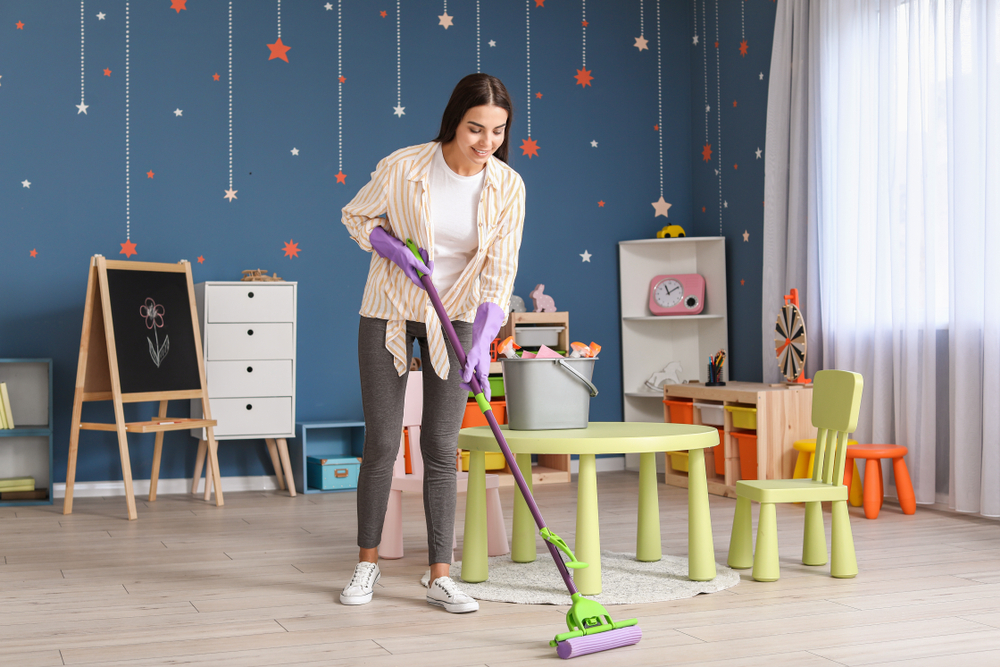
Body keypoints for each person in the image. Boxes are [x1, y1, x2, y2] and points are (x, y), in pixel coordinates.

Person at [340, 73, 525, 613]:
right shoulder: (404, 167)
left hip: (459, 316)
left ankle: (440, 574)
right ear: (454, 121)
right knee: (382, 443)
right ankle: (366, 565)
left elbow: (500, 273)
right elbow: (356, 215)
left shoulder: (508, 186)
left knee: (442, 448)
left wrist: (482, 343)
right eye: (474, 128)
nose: (485, 142)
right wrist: (391, 248)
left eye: (497, 131)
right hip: (390, 311)